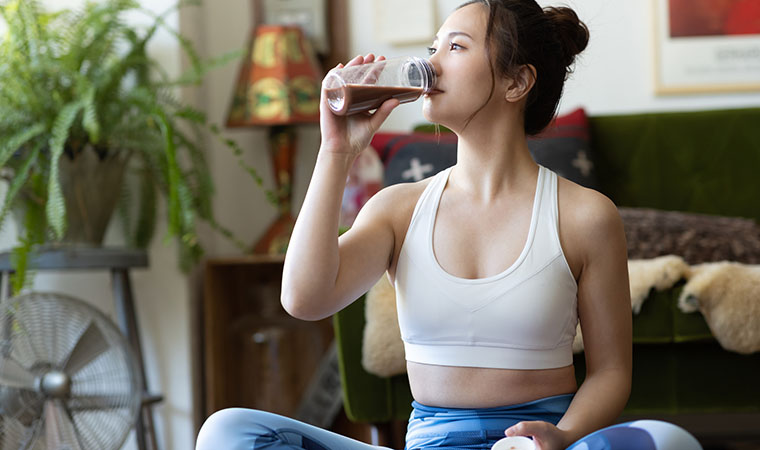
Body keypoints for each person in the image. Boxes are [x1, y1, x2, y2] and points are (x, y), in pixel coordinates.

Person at [196, 1, 703, 449]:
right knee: (227, 432)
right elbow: (304, 299)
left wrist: (563, 437)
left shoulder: (586, 216)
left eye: (455, 47)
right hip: (429, 444)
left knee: (669, 442)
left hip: (534, 447)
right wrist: (336, 151)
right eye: (432, 46)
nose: (429, 63)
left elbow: (611, 373)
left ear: (516, 81)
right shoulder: (398, 208)